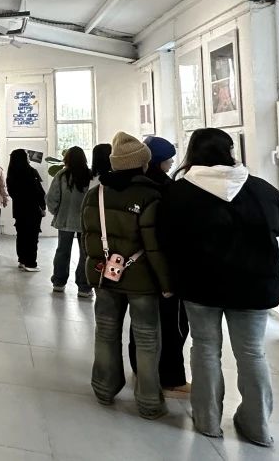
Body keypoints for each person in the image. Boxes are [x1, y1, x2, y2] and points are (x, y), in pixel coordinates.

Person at [160, 129, 279, 447]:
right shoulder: (260, 189)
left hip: (200, 284)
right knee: (252, 353)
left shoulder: (180, 192)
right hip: (254, 284)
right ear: (230, 152)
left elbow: (165, 237)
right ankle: (257, 425)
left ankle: (207, 420)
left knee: (205, 348)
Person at [82, 132, 172, 420]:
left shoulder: (95, 194)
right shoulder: (150, 196)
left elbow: (88, 238)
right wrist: (167, 283)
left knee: (105, 332)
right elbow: (154, 246)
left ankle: (103, 387)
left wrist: (94, 270)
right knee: (146, 338)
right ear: (143, 164)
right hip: (142, 279)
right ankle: (148, 400)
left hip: (105, 276)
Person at [128, 136, 191, 396]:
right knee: (172, 324)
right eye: (169, 159)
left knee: (141, 321)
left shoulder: (131, 187)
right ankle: (170, 378)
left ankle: (140, 367)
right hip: (165, 267)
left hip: (136, 267)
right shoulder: (168, 189)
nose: (172, 163)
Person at [47, 146, 93, 297]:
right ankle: (84, 287)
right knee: (85, 253)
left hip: (65, 219)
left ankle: (58, 282)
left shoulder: (61, 175)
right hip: (86, 221)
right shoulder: (90, 175)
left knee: (62, 251)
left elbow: (52, 197)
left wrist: (56, 212)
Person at [6, 148, 46, 272]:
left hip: (19, 209)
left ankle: (22, 260)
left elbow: (12, 193)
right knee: (32, 237)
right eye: (27, 155)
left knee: (22, 235)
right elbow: (38, 192)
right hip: (32, 209)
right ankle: (31, 263)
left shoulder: (11, 174)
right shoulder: (31, 172)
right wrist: (43, 206)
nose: (29, 157)